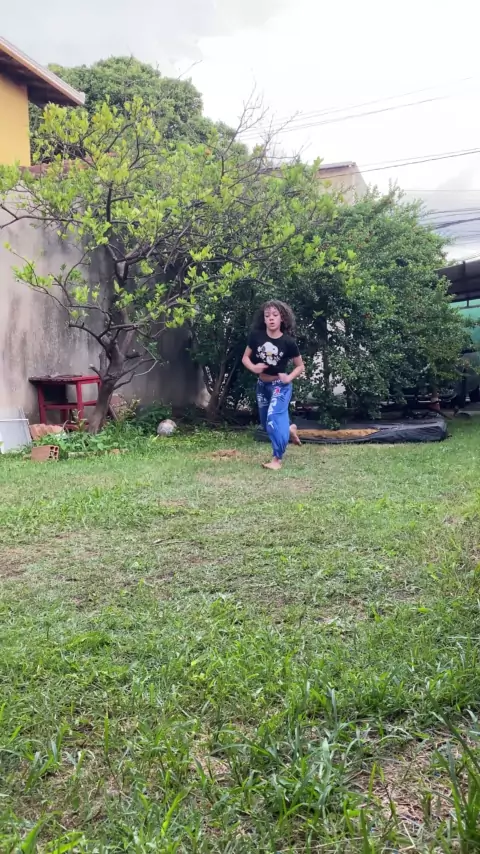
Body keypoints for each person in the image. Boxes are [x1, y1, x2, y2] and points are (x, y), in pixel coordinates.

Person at [242, 300, 304, 470]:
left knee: (273, 419)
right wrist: (254, 367)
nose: (271, 318)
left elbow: (300, 366)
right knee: (265, 423)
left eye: (275, 315)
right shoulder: (256, 336)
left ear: (282, 318)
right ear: (263, 319)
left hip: (280, 386)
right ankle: (290, 429)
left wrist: (289, 378)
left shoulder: (288, 342)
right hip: (262, 385)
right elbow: (245, 358)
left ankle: (277, 459)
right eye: (267, 315)